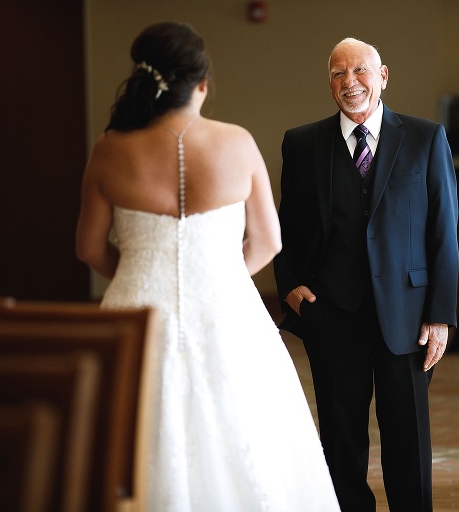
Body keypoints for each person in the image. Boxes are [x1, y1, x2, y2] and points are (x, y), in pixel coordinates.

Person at [75, 21, 340, 512]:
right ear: (201, 85)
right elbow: (268, 240)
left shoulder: (109, 148)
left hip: (133, 317)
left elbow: (89, 248)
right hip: (229, 312)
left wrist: (140, 273)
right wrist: (221, 278)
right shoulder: (236, 142)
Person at [273, 37, 459, 512]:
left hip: (408, 313)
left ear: (383, 75)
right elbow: (286, 227)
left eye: (359, 71)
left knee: (408, 438)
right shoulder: (301, 143)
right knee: (340, 440)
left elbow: (444, 232)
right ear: (329, 82)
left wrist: (440, 315)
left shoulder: (424, 137)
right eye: (338, 73)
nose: (349, 83)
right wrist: (292, 289)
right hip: (331, 312)